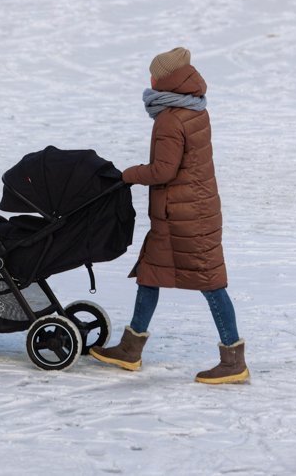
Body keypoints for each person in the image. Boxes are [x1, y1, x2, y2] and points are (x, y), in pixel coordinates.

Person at [89, 47, 250, 385]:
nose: (150, 79)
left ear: (164, 79)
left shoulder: (169, 118)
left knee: (211, 283)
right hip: (189, 211)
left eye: (154, 74)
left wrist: (126, 175)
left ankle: (234, 361)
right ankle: (131, 350)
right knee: (150, 274)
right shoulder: (194, 109)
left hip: (184, 216)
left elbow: (163, 170)